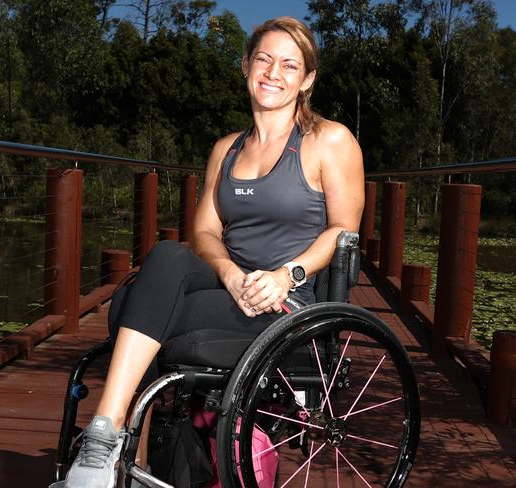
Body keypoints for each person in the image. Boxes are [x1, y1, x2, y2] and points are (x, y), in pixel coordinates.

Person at [64, 15, 364, 488]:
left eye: (290, 65)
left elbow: (343, 231)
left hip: (284, 303)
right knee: (167, 254)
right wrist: (226, 272)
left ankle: (108, 448)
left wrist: (287, 275)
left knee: (129, 305)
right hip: (226, 288)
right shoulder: (226, 149)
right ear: (246, 65)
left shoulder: (329, 141)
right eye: (264, 59)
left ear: (307, 80)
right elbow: (204, 231)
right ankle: (110, 436)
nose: (273, 72)